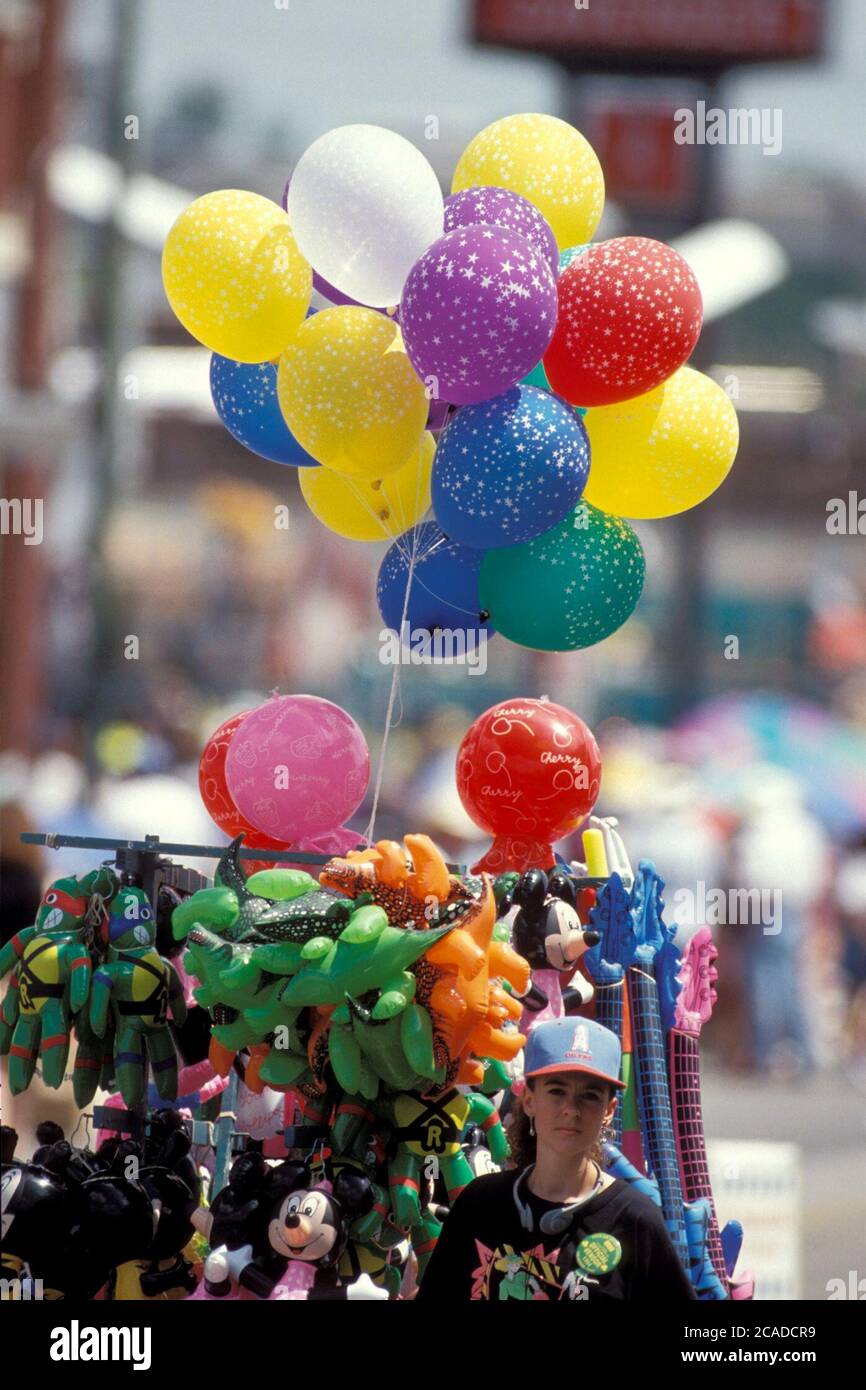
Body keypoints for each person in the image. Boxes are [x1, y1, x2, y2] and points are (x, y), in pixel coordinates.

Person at [416, 1017, 696, 1302]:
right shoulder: (479, 1203)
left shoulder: (635, 1219)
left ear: (609, 1110)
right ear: (528, 1100)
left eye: (589, 1095)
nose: (571, 1109)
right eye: (556, 1091)